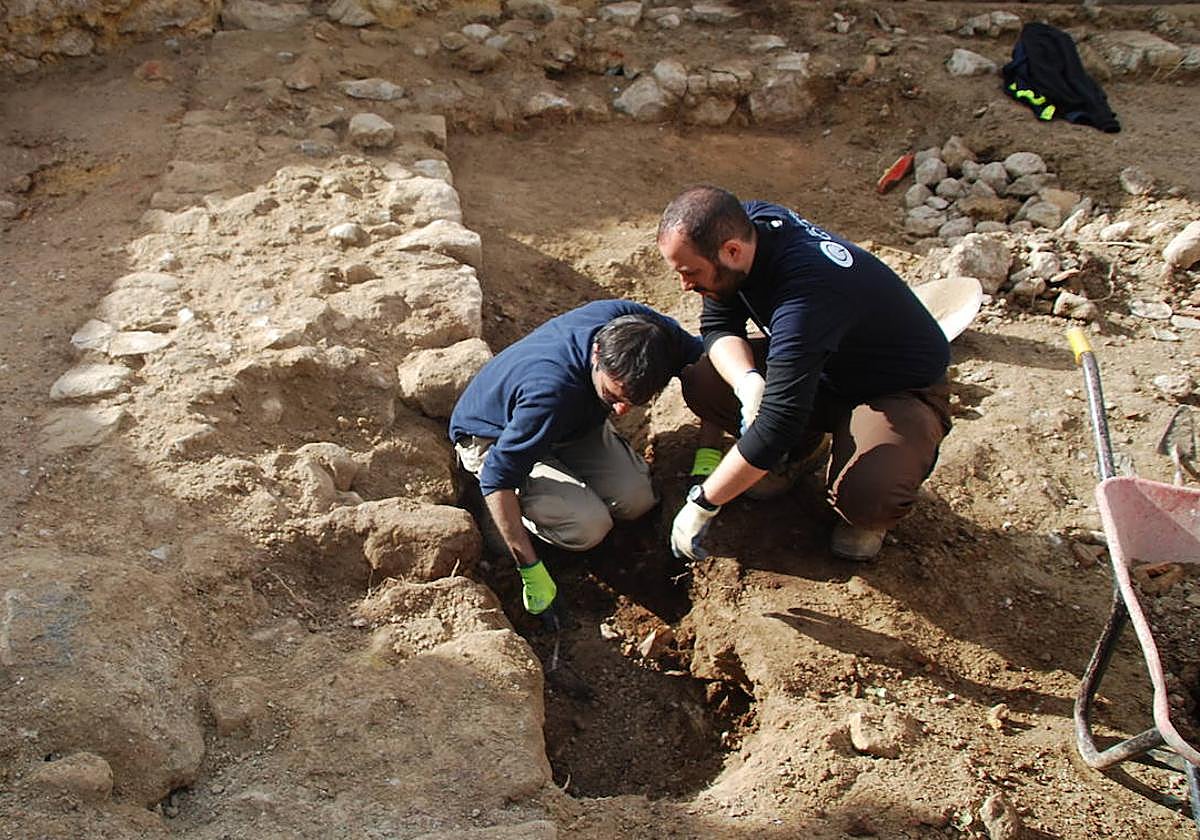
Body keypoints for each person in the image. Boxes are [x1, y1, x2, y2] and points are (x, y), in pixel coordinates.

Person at [657, 185, 952, 562]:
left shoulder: (806, 296)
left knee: (867, 495)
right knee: (706, 380)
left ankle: (868, 506)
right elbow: (718, 326)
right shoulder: (743, 227)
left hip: (894, 390)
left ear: (731, 251)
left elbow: (777, 421)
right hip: (824, 368)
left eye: (690, 272)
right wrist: (748, 381)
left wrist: (704, 502)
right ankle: (801, 451)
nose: (685, 285)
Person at [449, 299, 703, 616]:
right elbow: (497, 476)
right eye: (613, 396)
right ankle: (498, 523)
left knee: (636, 499)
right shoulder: (549, 392)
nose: (621, 411)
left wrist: (709, 453)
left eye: (634, 400)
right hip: (494, 436)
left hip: (571, 424)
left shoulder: (649, 335)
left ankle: (558, 476)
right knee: (589, 527)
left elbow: (709, 366)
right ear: (597, 353)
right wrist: (530, 568)